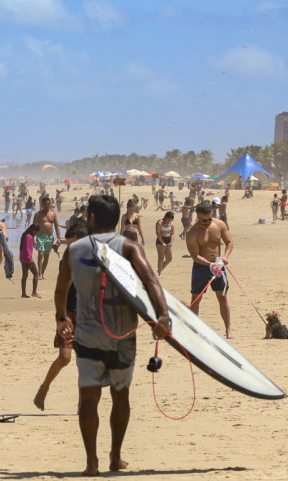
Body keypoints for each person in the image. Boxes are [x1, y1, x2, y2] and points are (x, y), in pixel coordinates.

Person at [53, 195, 170, 475]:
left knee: (88, 398)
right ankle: (115, 457)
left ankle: (91, 463)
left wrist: (60, 318)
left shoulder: (74, 250)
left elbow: (60, 290)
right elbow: (150, 280)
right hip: (122, 335)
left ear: (91, 217)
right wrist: (163, 316)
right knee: (120, 395)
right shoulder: (129, 247)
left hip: (88, 335)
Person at [34, 219, 89, 410]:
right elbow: (60, 290)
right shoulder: (67, 259)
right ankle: (44, 387)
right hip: (69, 313)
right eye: (69, 244)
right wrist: (60, 316)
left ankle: (82, 404)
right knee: (65, 358)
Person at [186, 200, 235, 339]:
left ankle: (228, 330)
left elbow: (229, 242)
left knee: (222, 296)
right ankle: (193, 329)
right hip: (201, 268)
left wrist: (225, 257)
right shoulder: (192, 232)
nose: (207, 222)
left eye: (209, 219)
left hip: (219, 266)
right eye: (204, 220)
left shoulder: (219, 224)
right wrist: (209, 264)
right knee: (196, 298)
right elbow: (195, 255)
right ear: (198, 216)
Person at [34, 195, 62, 278]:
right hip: (40, 236)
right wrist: (32, 239)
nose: (47, 205)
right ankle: (39, 274)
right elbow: (34, 227)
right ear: (42, 204)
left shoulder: (53, 214)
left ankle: (42, 273)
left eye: (48, 203)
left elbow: (56, 226)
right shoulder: (38, 214)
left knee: (46, 256)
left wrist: (58, 238)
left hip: (50, 237)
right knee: (40, 254)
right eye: (45, 203)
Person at [18, 223, 40, 298]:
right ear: (33, 231)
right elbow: (27, 248)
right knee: (36, 273)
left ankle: (23, 294)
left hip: (23, 257)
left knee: (25, 275)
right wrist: (30, 258)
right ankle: (34, 292)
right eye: (36, 232)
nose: (36, 234)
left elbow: (23, 247)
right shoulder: (29, 236)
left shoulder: (25, 235)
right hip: (28, 258)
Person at [153, 211, 175, 277]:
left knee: (169, 258)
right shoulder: (160, 222)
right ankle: (160, 273)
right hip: (160, 240)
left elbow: (173, 234)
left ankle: (160, 269)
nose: (169, 221)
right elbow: (158, 233)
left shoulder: (171, 223)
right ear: (166, 217)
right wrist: (162, 242)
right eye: (168, 219)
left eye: (171, 220)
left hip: (168, 240)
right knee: (161, 257)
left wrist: (171, 242)